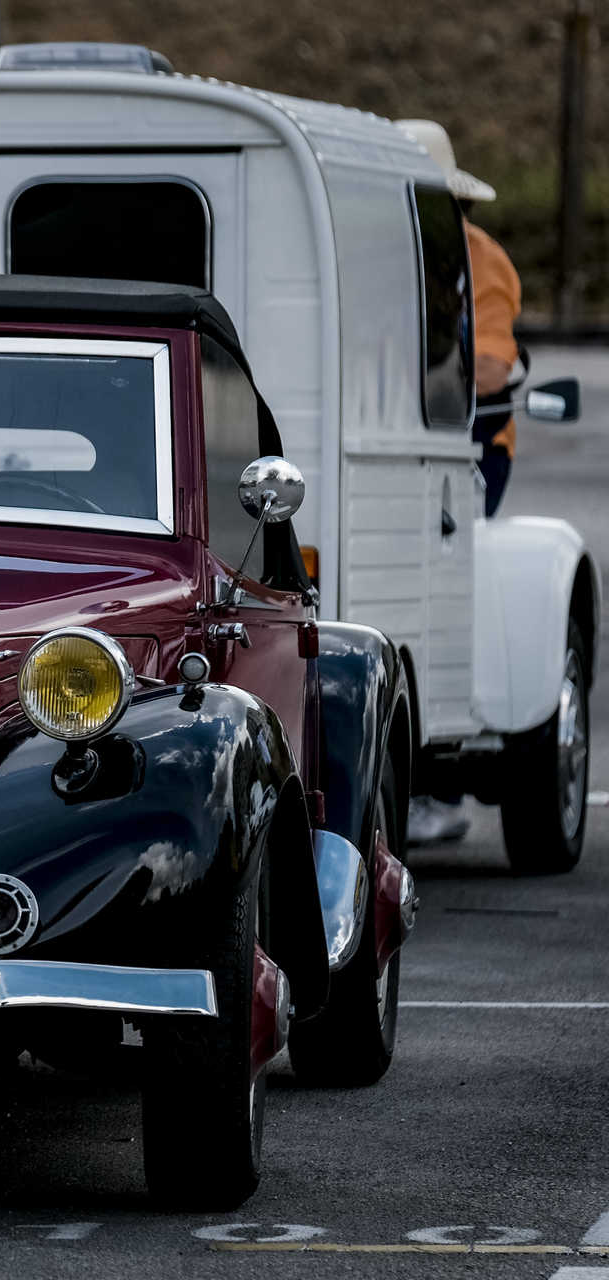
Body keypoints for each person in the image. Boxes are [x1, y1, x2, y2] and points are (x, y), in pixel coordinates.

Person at [400, 119, 524, 845]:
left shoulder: (482, 262)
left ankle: (437, 783)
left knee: (446, 596)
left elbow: (493, 369)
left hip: (473, 445)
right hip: (418, 438)